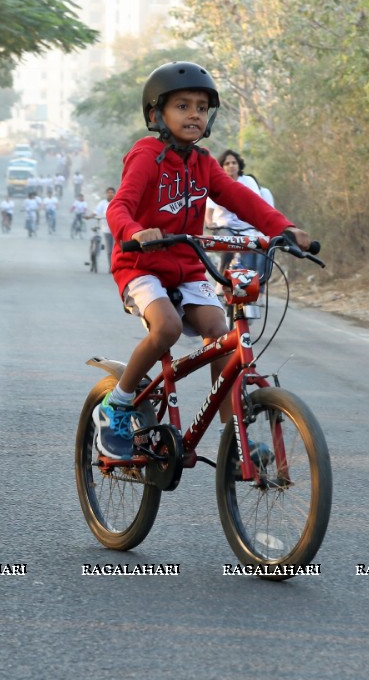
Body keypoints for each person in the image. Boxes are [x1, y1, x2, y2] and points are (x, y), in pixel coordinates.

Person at [93, 60, 311, 460]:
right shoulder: (146, 154)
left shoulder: (203, 162)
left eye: (201, 107)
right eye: (182, 106)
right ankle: (117, 406)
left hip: (189, 267)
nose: (194, 114)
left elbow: (242, 198)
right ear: (156, 114)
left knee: (222, 335)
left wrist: (284, 228)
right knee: (167, 328)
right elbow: (120, 205)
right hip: (140, 265)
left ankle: (234, 439)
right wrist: (133, 232)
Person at [206, 148, 264, 276]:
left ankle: (248, 290)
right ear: (221, 167)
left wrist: (260, 222)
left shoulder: (248, 181)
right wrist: (210, 223)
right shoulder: (217, 183)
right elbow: (209, 209)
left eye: (234, 163)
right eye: (227, 163)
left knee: (250, 261)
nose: (231, 166)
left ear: (239, 165)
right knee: (229, 246)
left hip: (246, 228)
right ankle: (220, 279)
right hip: (224, 226)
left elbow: (256, 203)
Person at [90, 187, 116, 266]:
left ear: (115, 194)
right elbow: (96, 211)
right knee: (109, 250)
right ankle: (111, 266)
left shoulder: (117, 202)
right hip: (106, 229)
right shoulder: (103, 203)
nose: (110, 194)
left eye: (112, 192)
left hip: (116, 229)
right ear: (106, 194)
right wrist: (90, 216)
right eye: (108, 192)